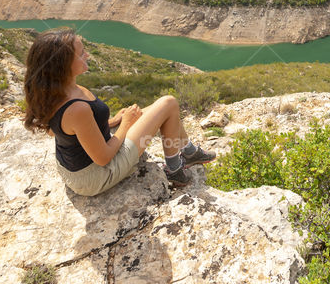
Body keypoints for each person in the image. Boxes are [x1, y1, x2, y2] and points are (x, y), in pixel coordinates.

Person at [22, 28, 215, 196]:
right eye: (81, 54)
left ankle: (188, 151)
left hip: (74, 168)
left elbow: (68, 131)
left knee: (164, 109)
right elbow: (103, 157)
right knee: (169, 102)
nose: (87, 55)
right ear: (63, 64)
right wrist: (126, 124)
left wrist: (113, 121)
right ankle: (175, 169)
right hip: (95, 177)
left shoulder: (55, 91)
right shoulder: (75, 107)